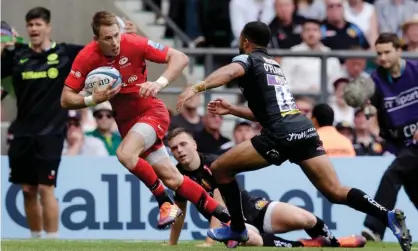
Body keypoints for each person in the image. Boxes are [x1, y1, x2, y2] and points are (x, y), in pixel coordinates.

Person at [176, 21, 412, 251]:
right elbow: (266, 113)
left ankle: (237, 228)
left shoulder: (248, 59)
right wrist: (233, 110)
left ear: (245, 41)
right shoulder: (274, 66)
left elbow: (230, 72)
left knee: (219, 169)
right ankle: (388, 215)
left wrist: (196, 87)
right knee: (335, 191)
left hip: (281, 133)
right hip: (304, 128)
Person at [61, 11, 230, 230]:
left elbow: (180, 57)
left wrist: (159, 83)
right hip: (128, 125)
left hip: (152, 112)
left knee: (124, 154)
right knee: (173, 180)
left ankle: (165, 203)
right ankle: (229, 219)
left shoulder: (134, 43)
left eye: (116, 35)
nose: (114, 42)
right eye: (107, 38)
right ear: (96, 39)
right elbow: (66, 99)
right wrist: (93, 99)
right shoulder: (87, 57)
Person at [0, 7, 135, 239]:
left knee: (45, 188)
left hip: (52, 132)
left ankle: (52, 240)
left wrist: (127, 35)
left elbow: (100, 49)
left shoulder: (65, 53)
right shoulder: (16, 55)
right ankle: (35, 240)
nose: (34, 29)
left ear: (48, 27)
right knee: (27, 190)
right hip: (22, 132)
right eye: (30, 25)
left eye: (38, 24)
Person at [166, 127, 367, 248]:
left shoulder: (214, 163)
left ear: (194, 143)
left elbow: (219, 206)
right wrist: (172, 245)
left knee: (306, 219)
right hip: (234, 226)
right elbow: (180, 212)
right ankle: (302, 246)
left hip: (254, 208)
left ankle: (335, 243)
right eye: (174, 148)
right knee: (249, 239)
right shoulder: (178, 176)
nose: (180, 150)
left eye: (183, 144)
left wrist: (209, 244)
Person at [359, 33, 418, 242]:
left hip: (416, 143)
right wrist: (366, 109)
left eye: (387, 52)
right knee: (413, 186)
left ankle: (374, 227)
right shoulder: (375, 79)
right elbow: (370, 108)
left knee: (392, 175)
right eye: (378, 53)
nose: (382, 58)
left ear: (399, 50)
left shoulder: (416, 70)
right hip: (400, 144)